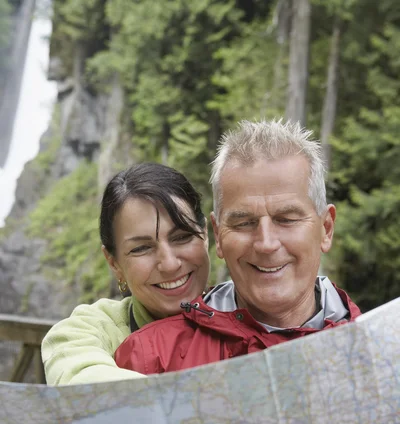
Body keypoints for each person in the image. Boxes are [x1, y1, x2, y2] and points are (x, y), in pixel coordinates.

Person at [115, 118, 361, 374]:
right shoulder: (150, 360)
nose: (266, 243)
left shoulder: (378, 347)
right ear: (219, 235)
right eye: (244, 223)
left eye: (286, 220)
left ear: (326, 229)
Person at [42, 162, 210, 384]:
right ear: (114, 263)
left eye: (182, 237)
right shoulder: (89, 330)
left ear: (205, 234)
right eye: (141, 248)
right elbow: (79, 382)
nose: (169, 264)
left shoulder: (247, 310)